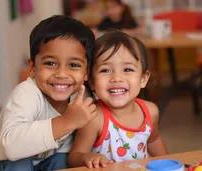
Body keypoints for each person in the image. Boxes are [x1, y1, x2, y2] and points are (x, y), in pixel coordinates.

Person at [0, 15, 96, 171]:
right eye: (50, 63)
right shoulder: (26, 94)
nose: (61, 74)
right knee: (20, 162)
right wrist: (67, 121)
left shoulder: (81, 97)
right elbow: (12, 146)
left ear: (86, 72)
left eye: (73, 65)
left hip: (36, 162)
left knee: (63, 160)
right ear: (32, 68)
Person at [68, 31, 168, 168]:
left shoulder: (150, 111)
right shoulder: (94, 118)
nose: (117, 78)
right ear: (91, 81)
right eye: (105, 70)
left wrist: (170, 164)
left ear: (143, 79)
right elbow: (74, 157)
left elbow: (153, 140)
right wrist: (86, 156)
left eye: (127, 69)